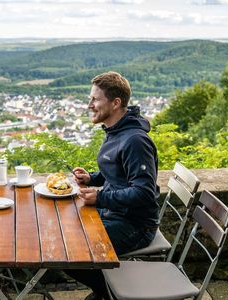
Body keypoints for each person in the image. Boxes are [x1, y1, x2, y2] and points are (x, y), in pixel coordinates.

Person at [66, 72, 160, 300]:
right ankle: (105, 291)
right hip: (115, 213)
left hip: (135, 225)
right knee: (65, 231)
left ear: (115, 103)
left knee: (67, 251)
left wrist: (100, 198)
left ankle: (110, 293)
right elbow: (118, 172)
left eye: (95, 100)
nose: (90, 105)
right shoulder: (116, 131)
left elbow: (144, 192)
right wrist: (92, 178)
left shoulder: (135, 140)